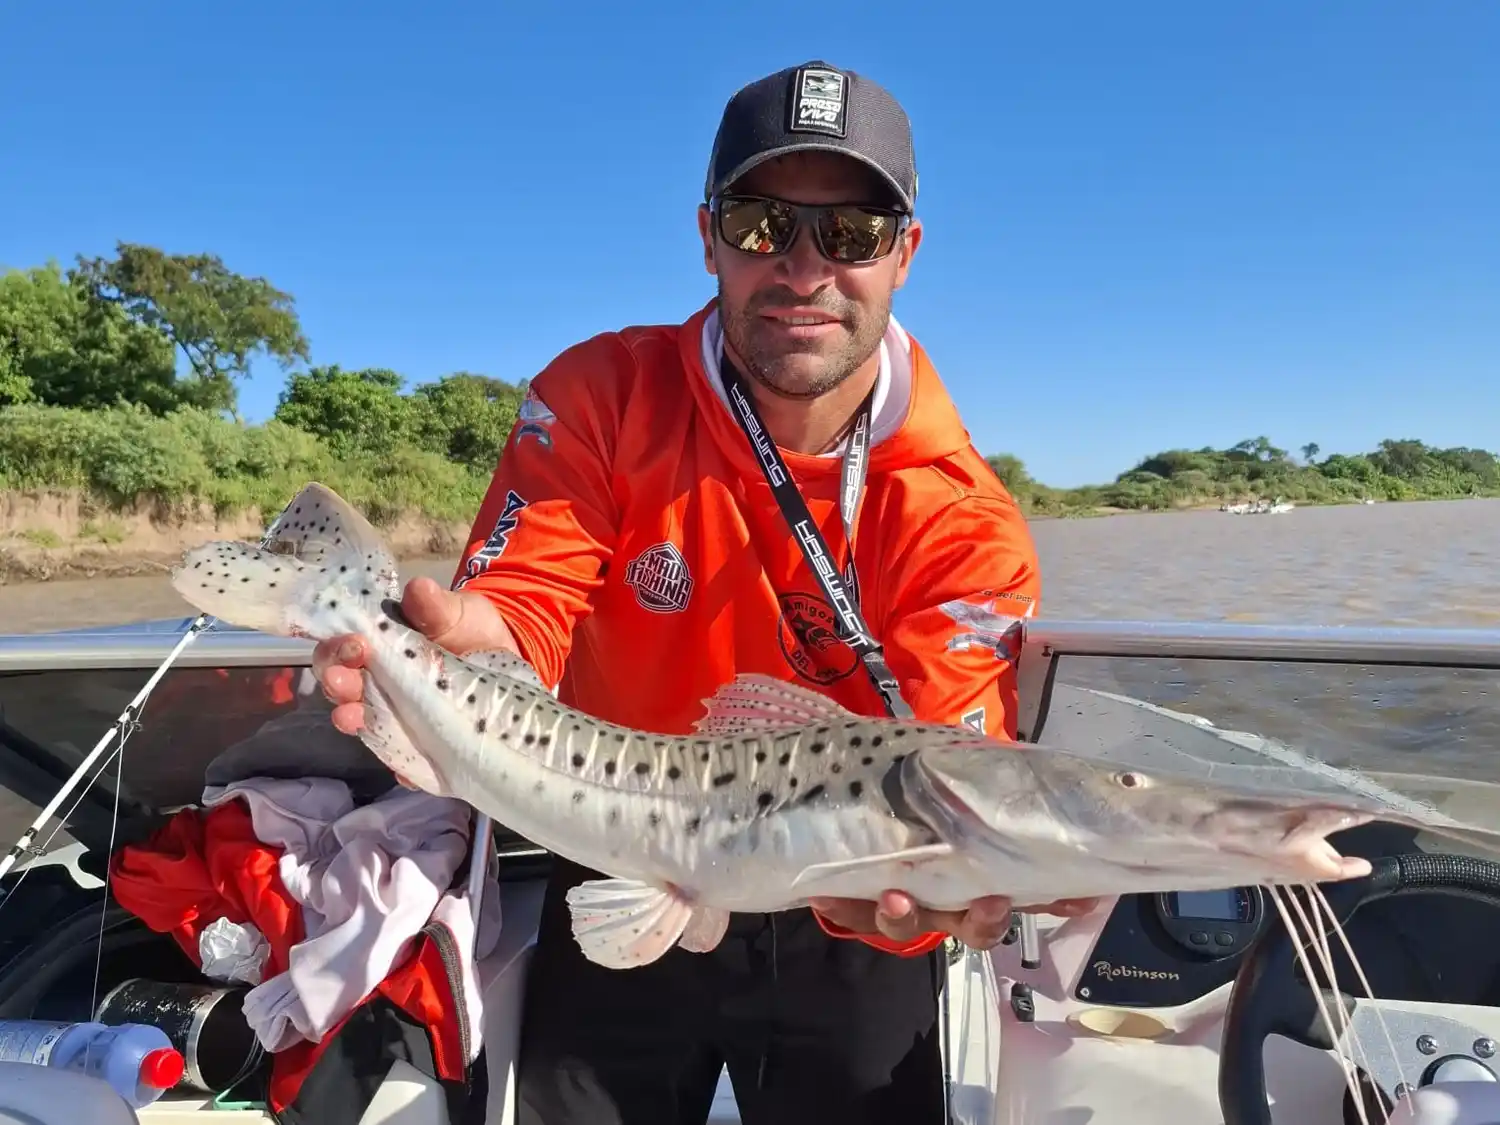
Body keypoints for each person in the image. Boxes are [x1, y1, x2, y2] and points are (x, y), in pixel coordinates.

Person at [312, 59, 1097, 1125]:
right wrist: (460, 645)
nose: (806, 268)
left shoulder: (963, 517)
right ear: (709, 237)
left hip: (841, 918)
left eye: (853, 232)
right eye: (764, 224)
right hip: (624, 844)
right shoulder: (601, 395)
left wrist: (916, 910)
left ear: (904, 254)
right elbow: (527, 604)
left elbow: (950, 757)